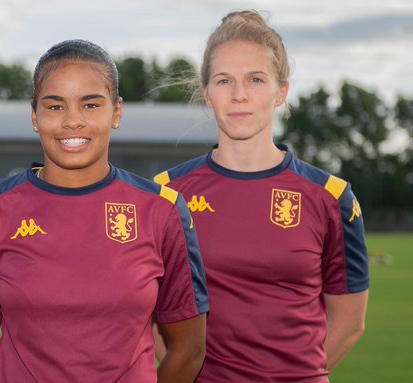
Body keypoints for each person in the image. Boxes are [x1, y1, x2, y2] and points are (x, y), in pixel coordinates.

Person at [0, 39, 209, 382]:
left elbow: (189, 350)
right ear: (34, 116)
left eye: (90, 105)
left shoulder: (162, 210)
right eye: (55, 106)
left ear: (116, 112)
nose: (72, 121)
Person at [153, 10, 369, 382]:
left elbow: (348, 325)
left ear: (280, 91)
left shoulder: (332, 198)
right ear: (206, 92)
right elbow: (153, 319)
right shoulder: (165, 195)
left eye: (255, 79)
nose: (239, 95)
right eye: (224, 81)